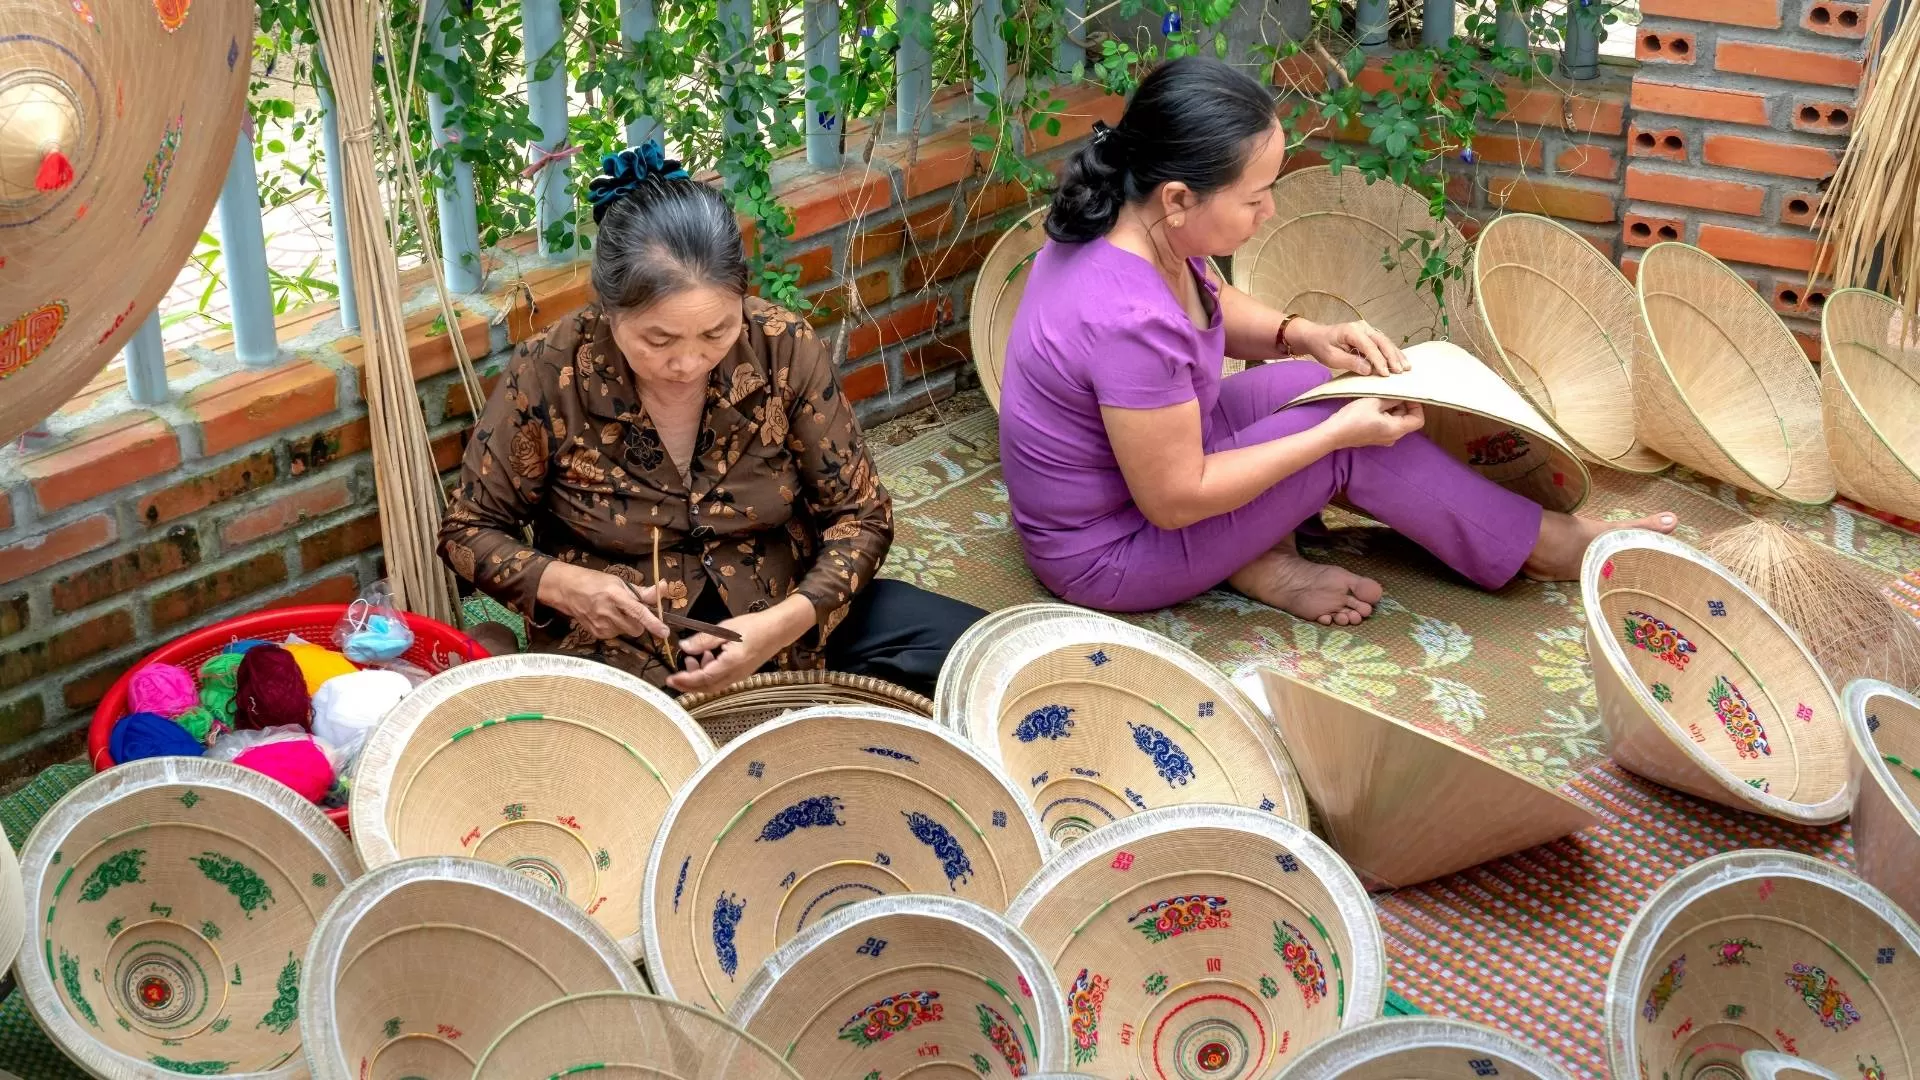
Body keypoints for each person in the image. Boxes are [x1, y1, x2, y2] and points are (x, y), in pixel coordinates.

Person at [999, 56, 1676, 625]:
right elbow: (1176, 497)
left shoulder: (1128, 216)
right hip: (1112, 551)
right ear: (1179, 198)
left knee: (1324, 386)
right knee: (1343, 437)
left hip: (1146, 470)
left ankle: (1255, 554)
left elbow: (1206, 301)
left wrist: (1304, 335)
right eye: (1255, 197)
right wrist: (1331, 441)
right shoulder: (1128, 317)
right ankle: (1546, 546)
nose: (1269, 210)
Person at [439, 142, 983, 696]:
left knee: (987, 657)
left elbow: (861, 516)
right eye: (659, 340)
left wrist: (785, 623)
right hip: (621, 642)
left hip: (784, 609)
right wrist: (564, 586)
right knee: (603, 738)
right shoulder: (550, 371)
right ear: (607, 307)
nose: (689, 363)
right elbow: (468, 530)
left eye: (716, 332)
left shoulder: (781, 347)